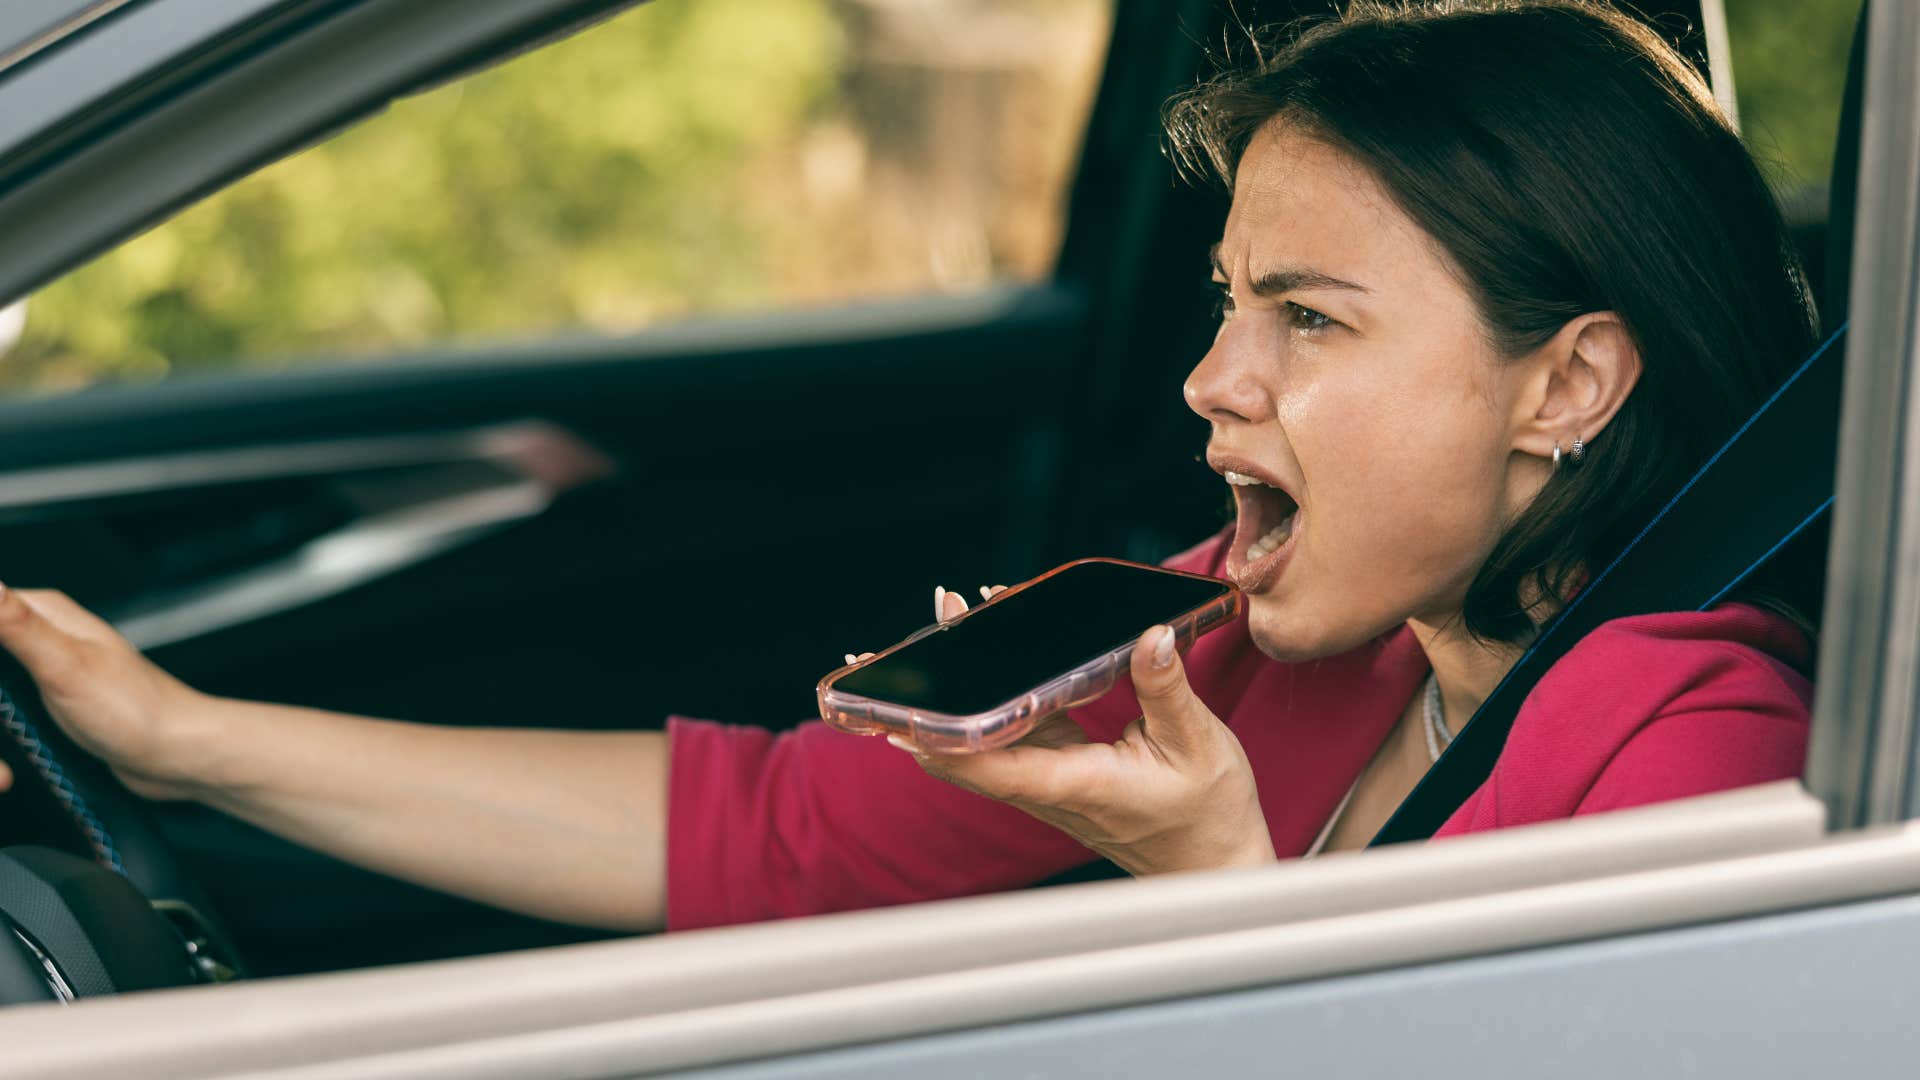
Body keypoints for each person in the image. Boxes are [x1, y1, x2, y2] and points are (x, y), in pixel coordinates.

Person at [0, 0, 1821, 934]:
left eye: (1308, 320)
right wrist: (184, 737)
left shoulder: (1706, 749)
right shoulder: (1252, 642)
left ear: (1565, 380)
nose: (1210, 380)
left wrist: (1214, 892)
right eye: (1223, 303)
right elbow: (767, 839)